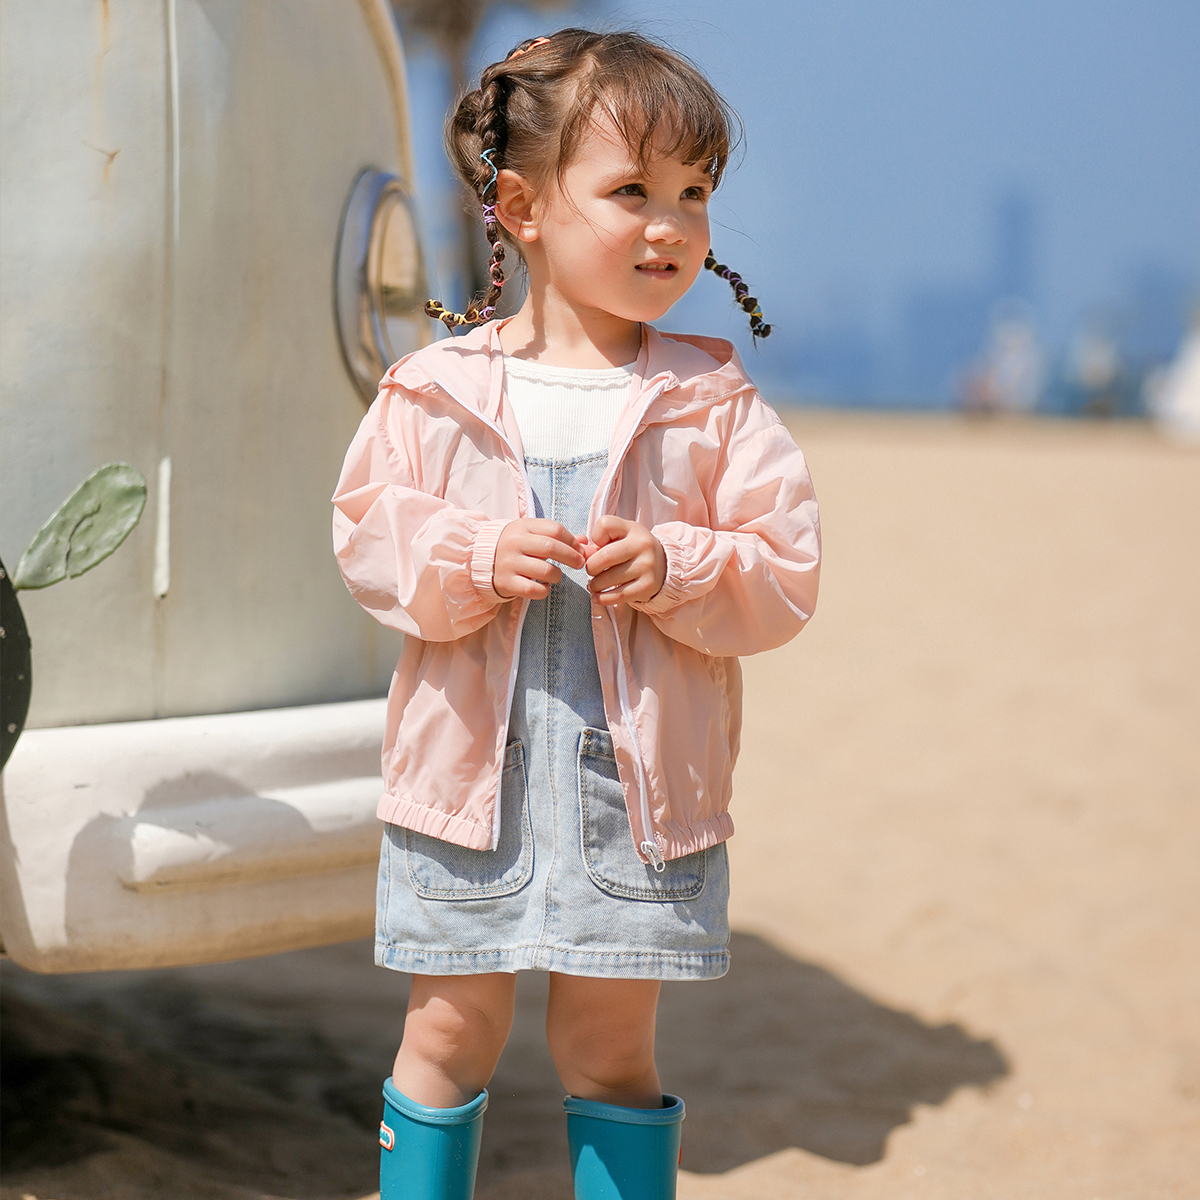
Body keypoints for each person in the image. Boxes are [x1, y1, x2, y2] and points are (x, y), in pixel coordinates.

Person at [332, 28, 821, 1200]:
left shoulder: (707, 401)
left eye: (695, 194)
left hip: (635, 800)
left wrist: (685, 564)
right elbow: (368, 538)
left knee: (611, 1050)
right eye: (633, 191)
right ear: (522, 205)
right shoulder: (435, 391)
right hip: (467, 793)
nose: (673, 224)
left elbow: (785, 570)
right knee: (449, 1036)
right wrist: (473, 550)